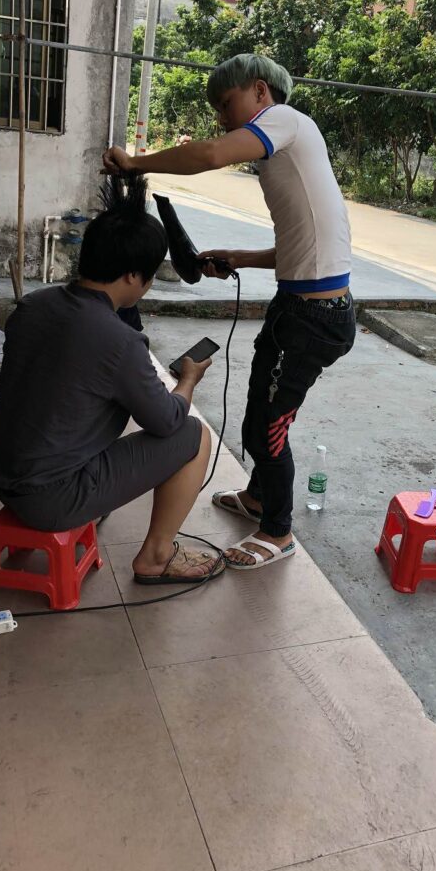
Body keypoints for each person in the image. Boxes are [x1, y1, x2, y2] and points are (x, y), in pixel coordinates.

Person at [101, 53, 355, 571]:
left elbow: (211, 154)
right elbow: (300, 247)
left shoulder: (284, 120)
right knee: (256, 415)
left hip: (315, 318)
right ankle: (260, 496)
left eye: (225, 104)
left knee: (270, 428)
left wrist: (136, 163)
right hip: (296, 306)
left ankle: (278, 530)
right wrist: (239, 258)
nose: (221, 118)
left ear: (260, 91)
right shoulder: (285, 152)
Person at [0, 175, 223, 584]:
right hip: (52, 497)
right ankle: (157, 557)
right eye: (147, 277)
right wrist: (189, 381)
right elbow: (165, 422)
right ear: (132, 277)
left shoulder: (32, 306)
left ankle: (94, 504)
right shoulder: (119, 341)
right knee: (194, 436)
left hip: (6, 478)